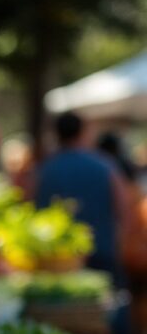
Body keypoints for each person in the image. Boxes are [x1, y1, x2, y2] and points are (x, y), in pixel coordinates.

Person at [36, 112, 126, 276]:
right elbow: (123, 208)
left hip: (56, 259)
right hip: (102, 252)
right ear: (82, 132)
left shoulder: (44, 170)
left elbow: (31, 206)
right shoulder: (104, 166)